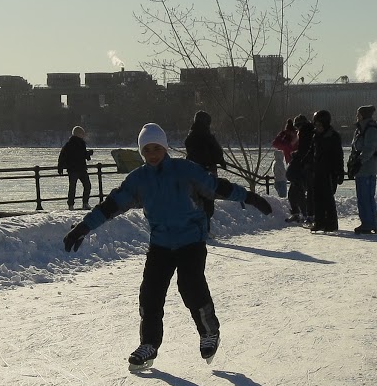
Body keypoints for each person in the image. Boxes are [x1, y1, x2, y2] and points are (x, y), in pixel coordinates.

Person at [62, 122, 272, 370]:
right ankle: (149, 343)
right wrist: (83, 227)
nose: (152, 154)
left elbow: (217, 187)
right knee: (150, 294)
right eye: (147, 149)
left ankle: (209, 332)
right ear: (142, 152)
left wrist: (250, 197)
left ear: (164, 148)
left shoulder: (185, 170)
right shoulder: (138, 179)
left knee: (190, 286)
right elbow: (112, 205)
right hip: (160, 244)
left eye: (157, 148)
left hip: (191, 241)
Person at [184, 110, 225, 224]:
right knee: (207, 203)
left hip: (192, 173)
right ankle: (204, 227)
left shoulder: (190, 135)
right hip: (207, 173)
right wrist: (220, 161)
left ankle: (197, 227)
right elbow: (217, 152)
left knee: (196, 201)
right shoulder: (208, 136)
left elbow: (191, 151)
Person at [350, 105, 377, 234]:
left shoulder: (370, 129)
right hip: (364, 168)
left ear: (363, 115)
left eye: (358, 114)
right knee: (365, 197)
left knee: (365, 197)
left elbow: (370, 147)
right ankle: (370, 222)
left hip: (367, 168)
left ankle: (368, 223)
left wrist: (360, 161)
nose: (356, 116)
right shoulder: (361, 128)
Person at [309, 109, 343, 233]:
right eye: (315, 125)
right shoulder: (316, 137)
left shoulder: (333, 136)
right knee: (317, 197)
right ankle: (319, 222)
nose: (317, 127)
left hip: (329, 172)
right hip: (317, 170)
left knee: (328, 198)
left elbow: (339, 155)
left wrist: (340, 172)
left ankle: (331, 223)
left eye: (319, 125)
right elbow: (311, 152)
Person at [285, 114, 314, 224]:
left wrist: (295, 155)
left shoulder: (305, 132)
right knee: (296, 192)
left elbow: (303, 150)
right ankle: (300, 213)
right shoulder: (309, 131)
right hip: (302, 167)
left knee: (297, 192)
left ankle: (303, 214)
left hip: (302, 167)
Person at [57, 126, 94, 210]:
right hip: (76, 168)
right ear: (78, 134)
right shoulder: (74, 144)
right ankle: (83, 203)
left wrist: (60, 166)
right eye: (82, 133)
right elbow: (66, 155)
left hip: (75, 168)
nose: (83, 135)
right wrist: (88, 154)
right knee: (84, 186)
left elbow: (63, 155)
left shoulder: (73, 143)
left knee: (75, 187)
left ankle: (73, 205)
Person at [270, 117, 296, 199]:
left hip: (294, 162)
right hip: (291, 162)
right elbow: (275, 143)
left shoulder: (289, 142)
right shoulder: (289, 141)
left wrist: (282, 135)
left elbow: (275, 143)